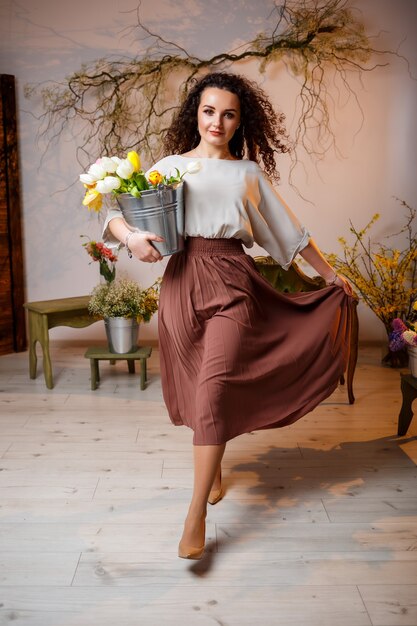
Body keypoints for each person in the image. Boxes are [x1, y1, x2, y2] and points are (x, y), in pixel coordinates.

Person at [103, 72, 354, 561]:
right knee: (199, 385)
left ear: (241, 122)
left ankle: (194, 514)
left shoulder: (248, 175)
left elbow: (290, 235)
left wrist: (330, 277)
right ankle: (212, 464)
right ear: (195, 114)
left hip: (232, 281)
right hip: (179, 285)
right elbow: (117, 216)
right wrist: (131, 237)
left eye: (229, 114)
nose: (218, 121)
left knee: (215, 386)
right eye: (209, 111)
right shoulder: (171, 168)